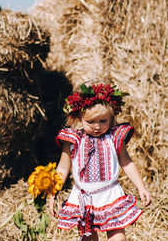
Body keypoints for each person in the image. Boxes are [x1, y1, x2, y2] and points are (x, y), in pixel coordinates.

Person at [48, 80, 152, 241]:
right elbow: (62, 168)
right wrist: (53, 192)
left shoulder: (114, 137)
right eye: (91, 122)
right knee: (88, 238)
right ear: (78, 118)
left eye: (103, 121)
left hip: (110, 196)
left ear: (111, 117)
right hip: (84, 199)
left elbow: (127, 162)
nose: (97, 126)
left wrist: (141, 187)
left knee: (118, 238)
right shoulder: (73, 139)